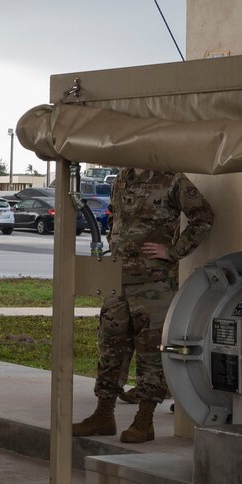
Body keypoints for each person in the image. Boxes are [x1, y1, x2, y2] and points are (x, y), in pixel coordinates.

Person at [70, 166, 214, 443]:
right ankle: (103, 414)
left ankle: (145, 419)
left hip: (154, 283)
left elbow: (203, 216)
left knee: (150, 352)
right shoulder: (122, 178)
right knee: (110, 345)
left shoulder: (172, 179)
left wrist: (173, 252)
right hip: (118, 279)